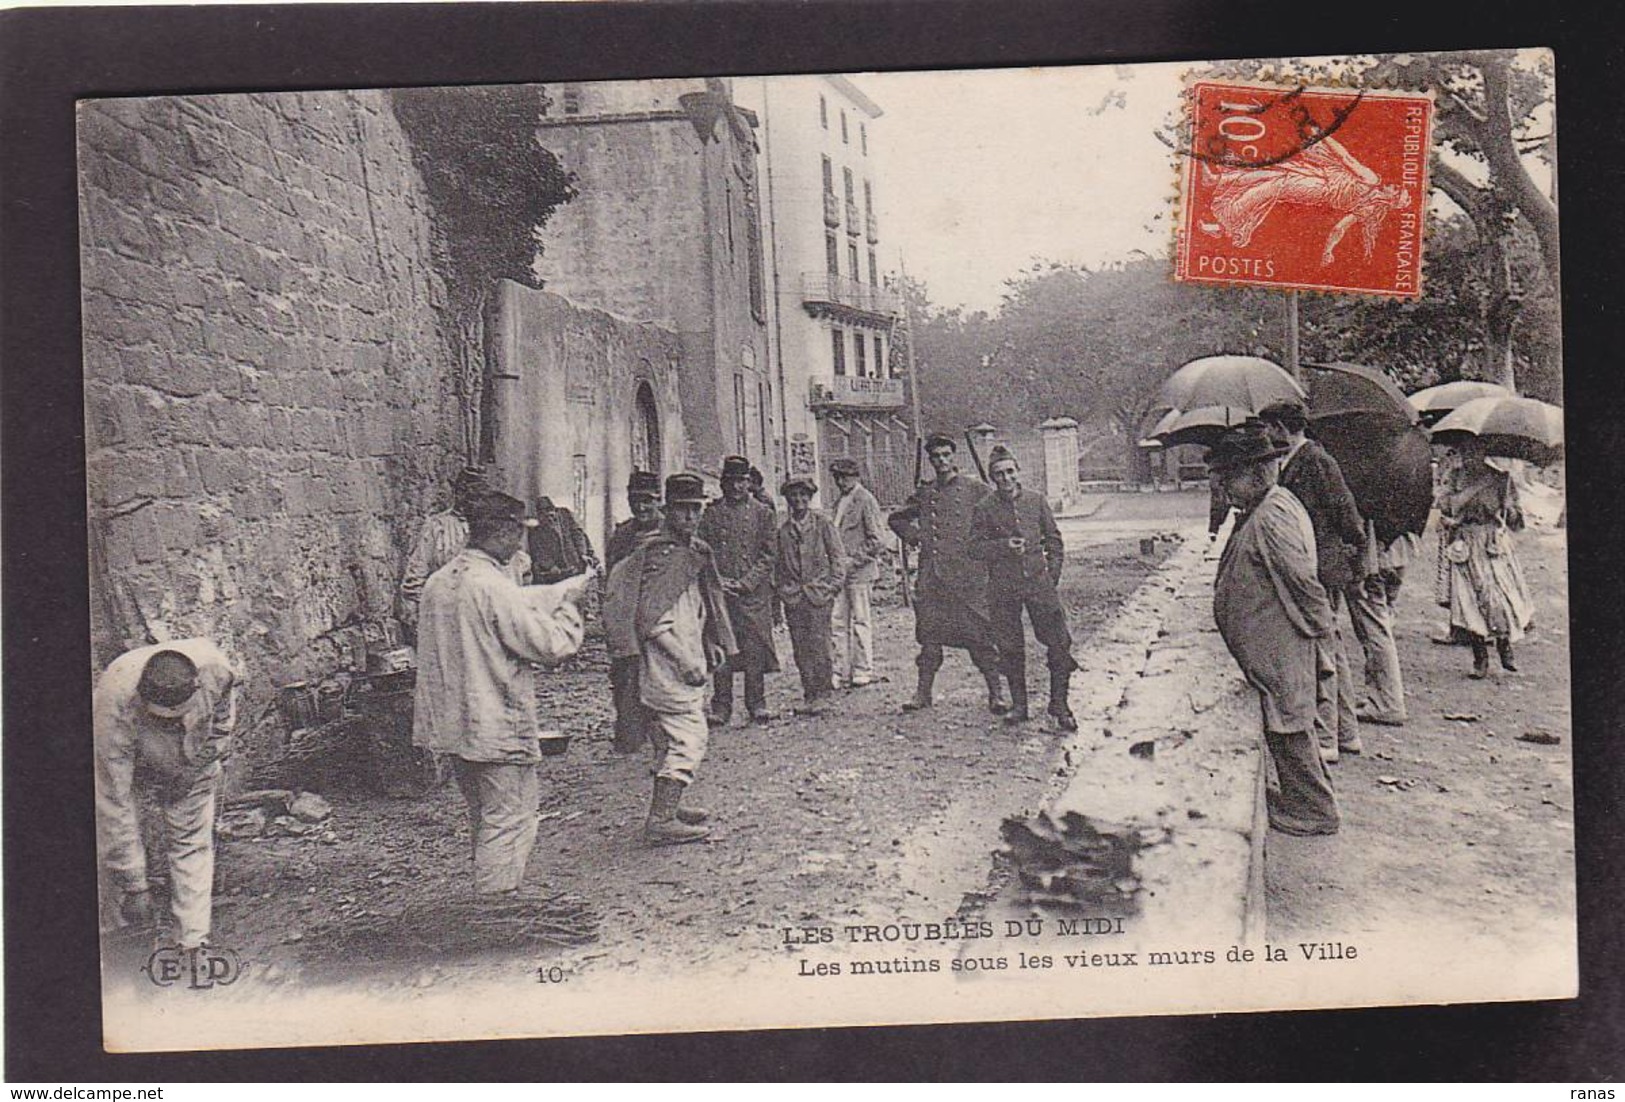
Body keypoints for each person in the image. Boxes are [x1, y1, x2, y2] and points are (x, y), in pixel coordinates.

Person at [413, 493, 587, 896]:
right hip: (495, 722)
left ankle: (490, 894)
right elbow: (552, 646)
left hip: (453, 727)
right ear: (507, 533)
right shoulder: (494, 586)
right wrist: (567, 606)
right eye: (518, 534)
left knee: (484, 816)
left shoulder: (438, 583)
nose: (521, 545)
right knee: (510, 818)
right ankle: (494, 908)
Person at [1208, 423, 1340, 837]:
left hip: (1283, 642)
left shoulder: (1273, 513)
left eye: (1230, 476)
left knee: (1290, 725)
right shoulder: (1262, 508)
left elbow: (1302, 580)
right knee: (1285, 722)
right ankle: (1304, 799)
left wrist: (1321, 635)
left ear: (1258, 473)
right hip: (1272, 645)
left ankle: (1316, 810)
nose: (1224, 486)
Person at [606, 473, 738, 844]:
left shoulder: (691, 552)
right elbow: (653, 620)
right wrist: (684, 661)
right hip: (665, 662)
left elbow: (697, 605)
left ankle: (669, 806)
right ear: (667, 511)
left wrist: (710, 641)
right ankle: (661, 819)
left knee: (670, 737)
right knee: (689, 737)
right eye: (681, 511)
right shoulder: (659, 555)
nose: (689, 518)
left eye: (695, 510)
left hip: (685, 651)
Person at [95, 639, 240, 948]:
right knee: (111, 832)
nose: (172, 721)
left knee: (191, 843)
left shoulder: (217, 672)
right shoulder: (113, 707)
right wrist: (136, 886)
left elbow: (221, 729)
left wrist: (191, 771)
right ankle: (117, 934)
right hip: (135, 747)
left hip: (193, 756)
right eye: (165, 717)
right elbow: (112, 800)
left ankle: (193, 941)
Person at [1258, 401, 1367, 763]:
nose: (1266, 435)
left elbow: (1345, 512)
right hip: (1316, 565)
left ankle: (1327, 737)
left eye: (1269, 428)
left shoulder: (1317, 461)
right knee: (1331, 647)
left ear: (1281, 427)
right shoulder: (1294, 462)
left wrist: (1353, 558)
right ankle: (1346, 731)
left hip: (1321, 567)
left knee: (1320, 651)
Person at [887, 434, 1008, 715]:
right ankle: (922, 694)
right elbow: (897, 518)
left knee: (981, 640)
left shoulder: (976, 489)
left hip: (968, 578)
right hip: (934, 579)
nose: (941, 461)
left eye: (945, 455)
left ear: (954, 456)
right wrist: (914, 536)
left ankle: (996, 694)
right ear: (930, 460)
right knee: (929, 641)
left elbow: (997, 520)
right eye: (936, 457)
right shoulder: (926, 492)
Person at [971, 446, 1079, 729]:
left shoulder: (1036, 501)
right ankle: (1020, 705)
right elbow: (973, 548)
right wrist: (1002, 547)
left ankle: (1060, 703)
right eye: (999, 474)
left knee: (1059, 642)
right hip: (1003, 588)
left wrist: (1050, 576)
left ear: (1018, 472)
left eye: (1009, 472)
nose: (1005, 478)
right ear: (993, 478)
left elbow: (1054, 541)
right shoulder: (985, 508)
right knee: (1009, 647)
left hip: (1038, 584)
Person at [697, 455, 781, 725]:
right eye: (731, 482)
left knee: (753, 648)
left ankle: (756, 702)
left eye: (742, 481)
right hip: (721, 593)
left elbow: (769, 555)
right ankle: (721, 705)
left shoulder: (764, 513)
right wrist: (718, 581)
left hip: (753, 595)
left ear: (749, 483)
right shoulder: (711, 514)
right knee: (722, 647)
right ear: (723, 483)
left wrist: (747, 582)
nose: (736, 487)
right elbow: (702, 551)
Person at [1438, 446, 1534, 679]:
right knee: (1467, 600)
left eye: (1476, 451)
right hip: (1465, 543)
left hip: (1493, 544)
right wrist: (1451, 517)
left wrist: (1510, 508)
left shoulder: (1500, 479)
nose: (1471, 456)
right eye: (1467, 450)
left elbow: (1516, 522)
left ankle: (1504, 645)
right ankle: (1479, 657)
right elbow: (1444, 508)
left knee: (1498, 597)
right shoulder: (1454, 477)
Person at [399, 466, 531, 628]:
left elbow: (521, 576)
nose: (481, 503)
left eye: (484, 497)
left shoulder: (497, 527)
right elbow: (413, 583)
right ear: (460, 494)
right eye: (475, 496)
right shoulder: (437, 527)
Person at [775, 477, 849, 716]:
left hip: (819, 595)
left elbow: (837, 557)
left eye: (803, 496)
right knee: (800, 646)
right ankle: (809, 692)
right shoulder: (783, 531)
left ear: (810, 498)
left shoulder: (823, 524)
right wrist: (782, 590)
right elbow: (777, 565)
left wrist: (833, 586)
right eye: (794, 496)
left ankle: (824, 693)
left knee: (821, 644)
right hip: (794, 597)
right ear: (787, 500)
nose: (798, 501)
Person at [605, 471, 664, 754]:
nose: (641, 508)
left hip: (662, 617)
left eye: (647, 502)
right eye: (635, 501)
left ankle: (666, 732)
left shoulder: (670, 532)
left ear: (658, 501)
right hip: (628, 616)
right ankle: (630, 729)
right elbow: (613, 578)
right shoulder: (622, 536)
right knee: (626, 673)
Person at [829, 457, 888, 689]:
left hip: (859, 572)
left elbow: (877, 540)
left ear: (856, 477)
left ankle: (862, 669)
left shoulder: (865, 500)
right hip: (839, 572)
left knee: (860, 621)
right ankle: (837, 670)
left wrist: (853, 561)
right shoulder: (839, 502)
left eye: (845, 477)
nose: (841, 481)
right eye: (838, 477)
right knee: (837, 621)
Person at [1345, 525, 1412, 726]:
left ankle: (1387, 702)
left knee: (1373, 629)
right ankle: (1381, 697)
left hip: (1375, 555)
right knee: (1380, 625)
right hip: (1397, 552)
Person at [529, 495, 600, 586]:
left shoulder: (566, 515)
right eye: (546, 518)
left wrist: (583, 554)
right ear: (540, 517)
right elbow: (539, 552)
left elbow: (579, 535)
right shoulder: (535, 532)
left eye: (552, 516)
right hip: (559, 574)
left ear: (555, 511)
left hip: (577, 565)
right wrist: (550, 566)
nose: (550, 520)